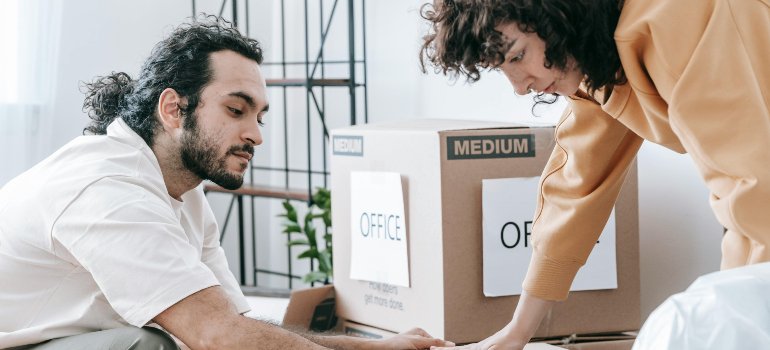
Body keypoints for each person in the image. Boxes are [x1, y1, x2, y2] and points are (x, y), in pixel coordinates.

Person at [0, 16, 453, 350]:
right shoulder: (108, 188)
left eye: (259, 117)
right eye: (236, 110)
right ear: (173, 109)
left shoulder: (185, 192)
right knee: (149, 345)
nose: (256, 135)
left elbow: (236, 325)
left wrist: (374, 348)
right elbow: (219, 337)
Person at [418, 0, 770, 348]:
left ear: (557, 15)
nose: (519, 86)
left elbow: (755, 188)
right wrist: (517, 332)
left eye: (518, 55)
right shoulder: (600, 59)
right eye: (501, 67)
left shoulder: (679, 17)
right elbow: (575, 186)